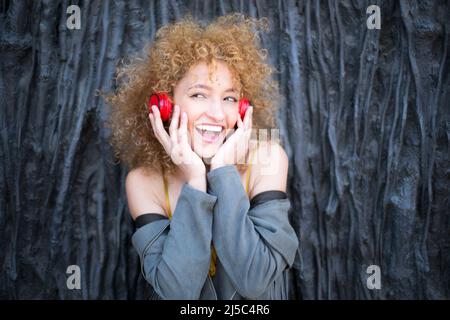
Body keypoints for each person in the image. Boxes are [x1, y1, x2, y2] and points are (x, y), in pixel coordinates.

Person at [106, 13, 299, 300]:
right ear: (165, 105)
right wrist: (196, 181)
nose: (219, 115)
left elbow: (255, 279)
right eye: (199, 95)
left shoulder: (268, 156)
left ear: (243, 109)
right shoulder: (143, 181)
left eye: (230, 98)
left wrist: (222, 171)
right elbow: (177, 292)